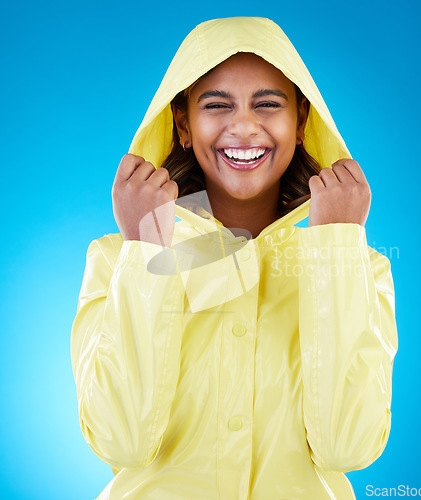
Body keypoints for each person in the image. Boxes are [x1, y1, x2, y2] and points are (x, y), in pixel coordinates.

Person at [70, 16, 398, 500]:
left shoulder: (357, 267)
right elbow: (122, 440)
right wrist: (147, 247)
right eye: (217, 105)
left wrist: (335, 248)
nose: (244, 126)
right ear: (183, 124)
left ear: (301, 123)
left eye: (267, 104)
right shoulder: (118, 257)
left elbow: (347, 448)